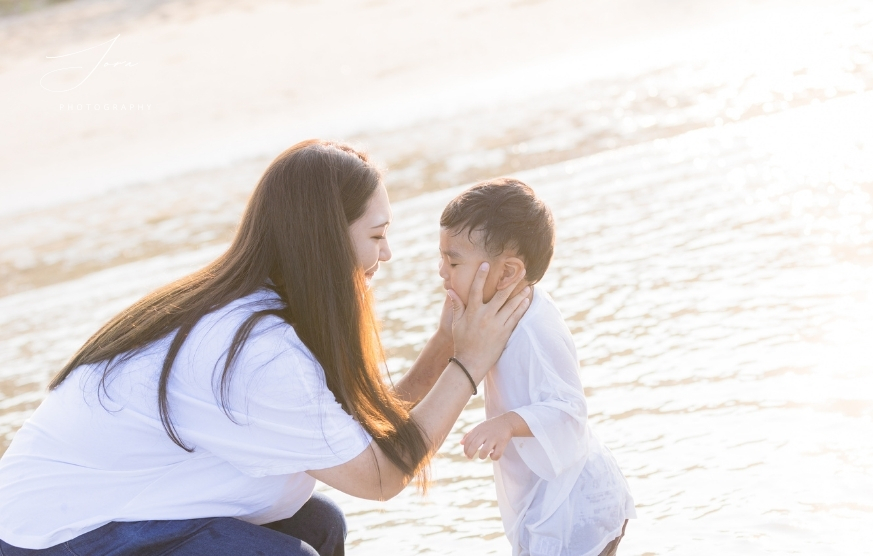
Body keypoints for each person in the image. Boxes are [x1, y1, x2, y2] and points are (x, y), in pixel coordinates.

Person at [0, 140, 532, 556]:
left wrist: (445, 344)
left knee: (319, 526)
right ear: (325, 237)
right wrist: (469, 364)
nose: (387, 253)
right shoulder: (258, 351)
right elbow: (379, 477)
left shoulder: (259, 312)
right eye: (376, 235)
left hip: (82, 520)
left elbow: (364, 431)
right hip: (51, 539)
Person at [438, 178, 637, 556]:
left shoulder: (532, 330)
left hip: (577, 503)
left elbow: (569, 410)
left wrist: (506, 423)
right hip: (553, 491)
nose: (442, 272)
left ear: (508, 273)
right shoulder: (503, 311)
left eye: (453, 261)